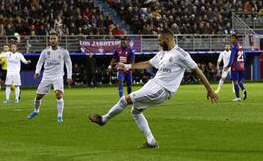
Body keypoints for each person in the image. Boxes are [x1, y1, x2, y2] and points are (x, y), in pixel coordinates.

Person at [89, 30, 218, 148]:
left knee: (124, 100)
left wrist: (210, 90)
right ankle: (151, 142)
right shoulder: (163, 53)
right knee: (136, 111)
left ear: (167, 39)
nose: (159, 43)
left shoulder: (181, 54)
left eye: (160, 41)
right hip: (153, 84)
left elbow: (198, 71)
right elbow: (148, 63)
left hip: (161, 89)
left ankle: (103, 119)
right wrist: (127, 66)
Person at [27, 32, 73, 123]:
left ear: (58, 39)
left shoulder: (64, 51)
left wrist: (69, 76)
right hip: (47, 76)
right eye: (51, 39)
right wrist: (37, 72)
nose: (52, 40)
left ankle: (59, 116)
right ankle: (36, 111)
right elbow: (40, 62)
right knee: (38, 97)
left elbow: (68, 64)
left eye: (54, 38)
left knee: (58, 95)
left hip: (58, 76)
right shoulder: (45, 51)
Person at [224, 34, 247, 101]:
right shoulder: (240, 46)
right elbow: (245, 57)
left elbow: (232, 58)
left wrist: (228, 66)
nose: (231, 40)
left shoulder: (234, 47)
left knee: (235, 82)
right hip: (241, 66)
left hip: (235, 66)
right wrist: (242, 63)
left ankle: (238, 97)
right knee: (240, 81)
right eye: (231, 38)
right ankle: (244, 90)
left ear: (236, 39)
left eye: (232, 38)